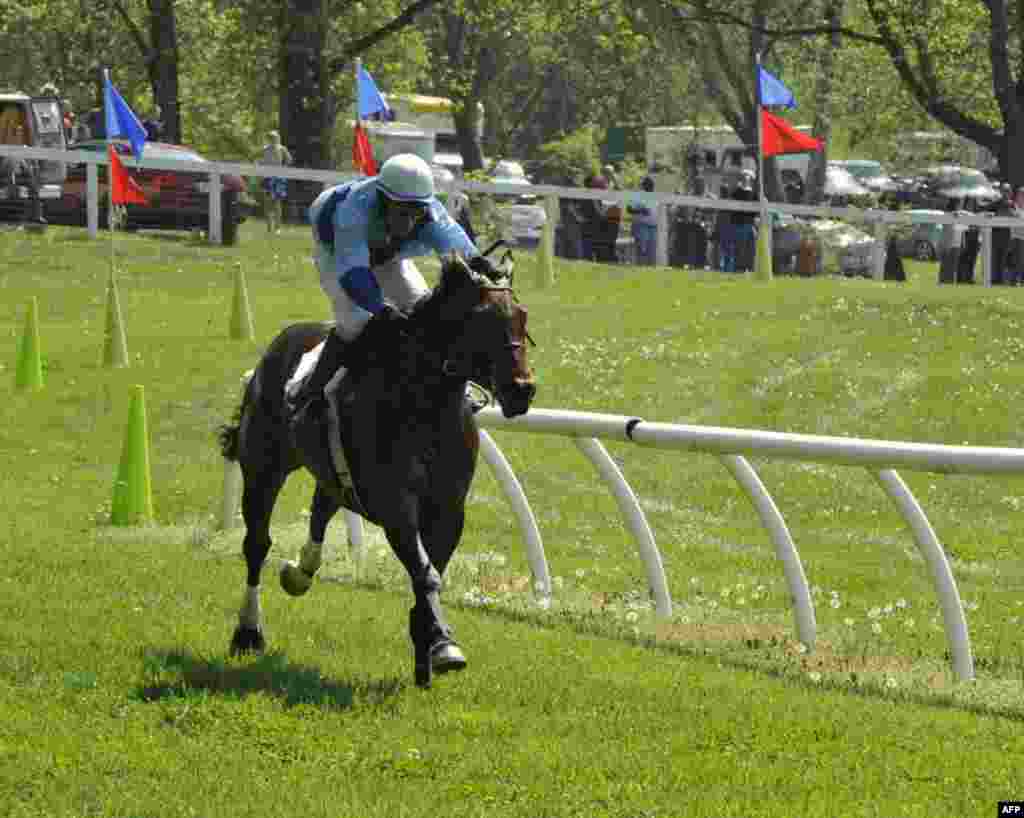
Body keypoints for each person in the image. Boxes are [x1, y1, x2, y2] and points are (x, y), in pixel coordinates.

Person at [291, 153, 493, 423]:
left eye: (416, 211)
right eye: (401, 210)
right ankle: (309, 390)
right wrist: (381, 308)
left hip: (388, 253)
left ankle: (453, 386)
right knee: (356, 323)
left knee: (424, 308)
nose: (410, 220)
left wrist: (483, 267)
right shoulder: (353, 210)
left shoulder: (430, 212)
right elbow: (354, 275)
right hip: (338, 251)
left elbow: (460, 251)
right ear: (382, 200)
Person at [258, 131, 292, 234]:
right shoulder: (264, 149)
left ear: (278, 138)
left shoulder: (282, 149)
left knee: (277, 203)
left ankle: (277, 228)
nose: (273, 139)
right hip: (267, 178)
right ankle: (269, 227)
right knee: (267, 203)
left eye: (275, 137)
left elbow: (289, 160)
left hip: (278, 179)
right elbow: (261, 161)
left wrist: (283, 169)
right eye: (271, 138)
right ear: (268, 139)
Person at [628, 176, 658, 265]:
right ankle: (640, 265)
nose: (651, 186)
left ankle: (650, 267)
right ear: (644, 185)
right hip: (641, 225)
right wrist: (641, 210)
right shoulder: (638, 195)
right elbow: (629, 209)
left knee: (652, 249)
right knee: (641, 248)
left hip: (653, 226)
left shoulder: (656, 196)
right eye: (649, 184)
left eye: (652, 185)